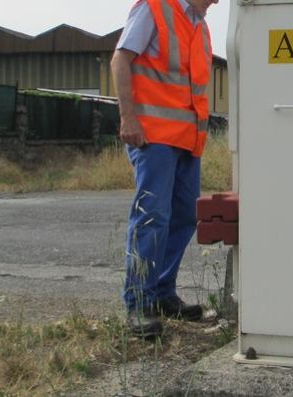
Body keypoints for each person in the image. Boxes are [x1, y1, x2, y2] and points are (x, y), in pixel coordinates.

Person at [111, 0, 219, 337]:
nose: (217, 1)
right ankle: (139, 301)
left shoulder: (200, 27)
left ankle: (160, 293)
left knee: (185, 216)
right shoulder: (155, 7)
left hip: (188, 141)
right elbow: (120, 60)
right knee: (152, 216)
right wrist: (128, 118)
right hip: (153, 137)